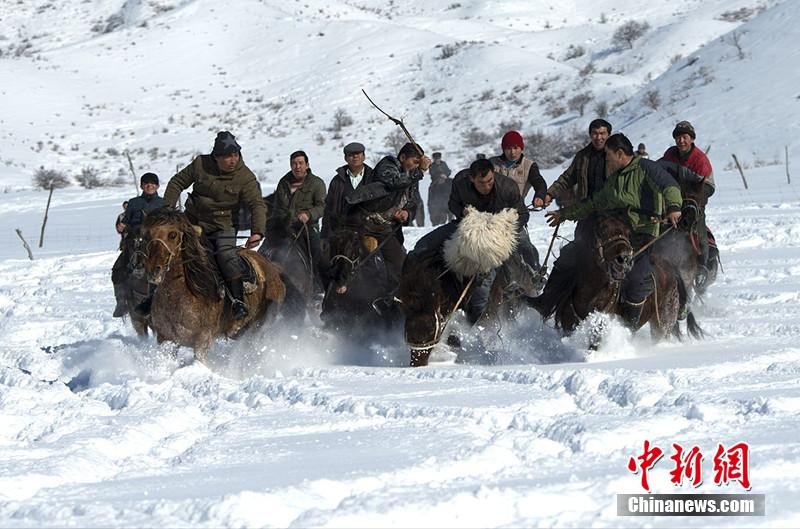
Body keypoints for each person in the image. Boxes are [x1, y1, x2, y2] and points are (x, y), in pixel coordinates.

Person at [535, 133, 682, 327]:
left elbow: (669, 186)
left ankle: (628, 326)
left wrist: (673, 207)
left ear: (620, 154)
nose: (606, 159)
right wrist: (565, 214)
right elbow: (594, 202)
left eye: (608, 155)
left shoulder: (647, 168)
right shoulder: (614, 179)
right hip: (617, 232)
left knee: (638, 277)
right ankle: (549, 302)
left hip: (642, 234)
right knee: (576, 255)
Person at [153, 131, 266, 320]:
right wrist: (167, 210)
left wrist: (257, 231)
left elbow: (257, 204)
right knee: (166, 250)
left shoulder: (245, 177)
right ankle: (153, 297)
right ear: (216, 157)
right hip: (193, 219)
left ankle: (237, 301)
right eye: (227, 156)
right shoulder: (200, 164)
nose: (232, 160)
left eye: (235, 155)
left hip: (224, 225)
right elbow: (176, 182)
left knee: (225, 255)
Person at [414, 158, 532, 324]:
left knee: (524, 246)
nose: (486, 186)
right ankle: (405, 287)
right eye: (481, 183)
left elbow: (523, 214)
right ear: (472, 179)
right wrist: (463, 213)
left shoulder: (508, 187)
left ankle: (534, 277)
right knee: (424, 245)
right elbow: (453, 204)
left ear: (494, 175)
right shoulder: (460, 182)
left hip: (499, 230)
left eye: (490, 181)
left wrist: (504, 230)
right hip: (469, 225)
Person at [345, 141, 430, 280]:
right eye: (414, 162)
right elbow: (394, 182)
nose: (416, 166)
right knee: (363, 265)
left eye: (418, 164)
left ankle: (390, 298)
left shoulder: (412, 177)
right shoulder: (388, 164)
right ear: (402, 158)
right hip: (364, 224)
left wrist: (406, 214)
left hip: (386, 230)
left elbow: (413, 204)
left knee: (401, 265)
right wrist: (420, 171)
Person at [659, 120, 716, 289]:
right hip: (671, 200)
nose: (681, 141)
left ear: (691, 139)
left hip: (695, 200)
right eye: (678, 137)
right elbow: (658, 171)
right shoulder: (670, 154)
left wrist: (694, 201)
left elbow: (708, 186)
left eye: (684, 137)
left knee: (698, 228)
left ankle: (703, 266)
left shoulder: (700, 160)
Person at [266, 150, 326, 285]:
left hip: (307, 227)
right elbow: (277, 207)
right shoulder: (284, 182)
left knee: (317, 253)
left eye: (300, 163)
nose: (297, 166)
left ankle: (318, 288)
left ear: (307, 165)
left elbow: (322, 207)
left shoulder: (316, 183)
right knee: (264, 251)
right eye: (294, 163)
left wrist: (308, 214)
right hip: (283, 226)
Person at [489, 130, 546, 269]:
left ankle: (535, 272)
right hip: (491, 213)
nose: (513, 152)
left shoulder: (529, 165)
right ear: (503, 149)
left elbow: (539, 183)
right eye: (508, 148)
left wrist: (539, 196)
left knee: (524, 244)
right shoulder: (492, 163)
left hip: (516, 214)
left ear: (521, 148)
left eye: (516, 148)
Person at [111, 174, 165, 317]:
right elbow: (126, 221)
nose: (150, 186)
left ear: (158, 186)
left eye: (153, 184)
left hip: (155, 243)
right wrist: (121, 227)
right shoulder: (134, 203)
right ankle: (122, 302)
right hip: (134, 241)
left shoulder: (163, 203)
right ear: (141, 186)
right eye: (146, 183)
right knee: (117, 269)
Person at [544, 118, 612, 208]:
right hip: (586, 210)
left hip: (612, 210)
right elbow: (567, 178)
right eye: (595, 133)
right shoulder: (582, 156)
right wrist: (550, 194)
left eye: (602, 133)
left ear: (609, 135)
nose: (598, 137)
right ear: (590, 135)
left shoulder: (617, 156)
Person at [321, 142, 373, 239]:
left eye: (358, 153)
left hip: (369, 231)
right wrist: (324, 236)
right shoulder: (337, 181)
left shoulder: (374, 178)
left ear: (364, 156)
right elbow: (329, 211)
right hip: (341, 232)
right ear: (345, 158)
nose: (355, 157)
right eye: (351, 154)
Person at [428, 152, 453, 225]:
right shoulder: (432, 166)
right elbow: (432, 173)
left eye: (438, 158)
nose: (438, 160)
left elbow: (448, 171)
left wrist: (445, 175)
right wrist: (439, 175)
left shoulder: (443, 163)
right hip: (436, 181)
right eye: (436, 159)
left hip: (445, 180)